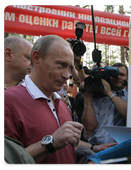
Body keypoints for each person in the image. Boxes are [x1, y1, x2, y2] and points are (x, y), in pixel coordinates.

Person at [2, 35, 84, 165]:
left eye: (69, 68)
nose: (66, 75)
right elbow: (7, 162)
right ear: (36, 58)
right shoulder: (6, 101)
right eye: (60, 65)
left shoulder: (62, 105)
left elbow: (65, 153)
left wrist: (88, 158)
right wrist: (50, 143)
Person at [81, 62, 128, 145]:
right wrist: (88, 97)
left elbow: (129, 115)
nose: (118, 77)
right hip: (96, 147)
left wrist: (109, 93)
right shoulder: (97, 95)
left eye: (122, 74)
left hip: (119, 146)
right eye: (114, 74)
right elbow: (89, 126)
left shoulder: (130, 96)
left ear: (127, 78)